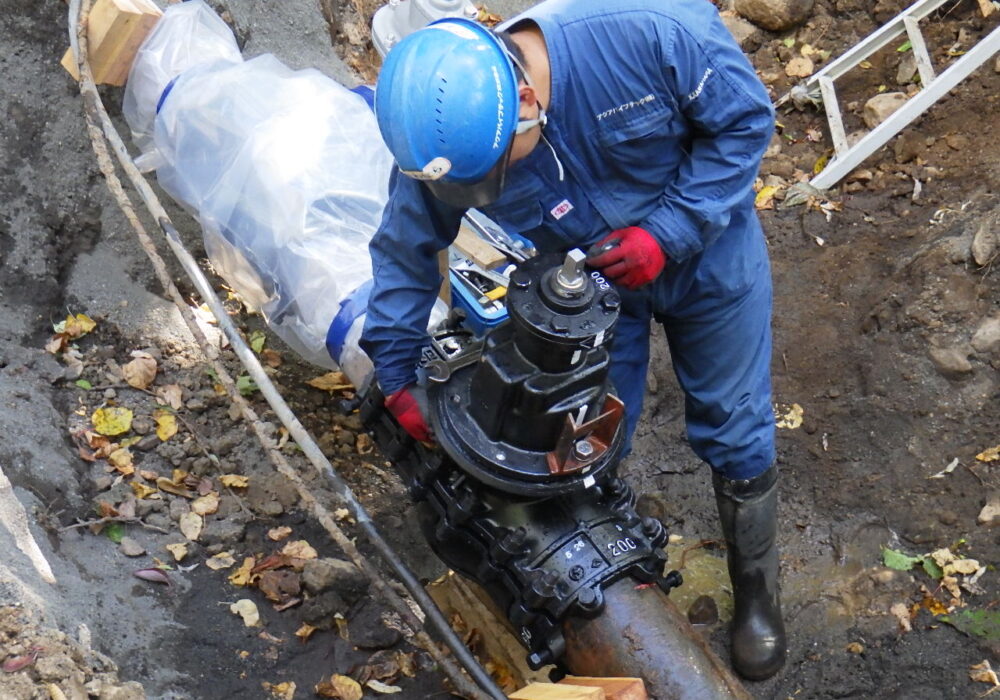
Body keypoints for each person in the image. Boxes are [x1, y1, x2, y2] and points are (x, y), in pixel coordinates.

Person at [360, 0, 784, 681]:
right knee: (580, 443)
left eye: (500, 170)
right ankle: (610, 574)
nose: (486, 191)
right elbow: (407, 252)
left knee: (734, 429)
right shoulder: (449, 139)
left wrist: (668, 232)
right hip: (587, 289)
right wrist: (395, 374)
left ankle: (758, 594)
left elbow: (744, 125)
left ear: (526, 98)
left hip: (708, 252)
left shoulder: (650, 33)